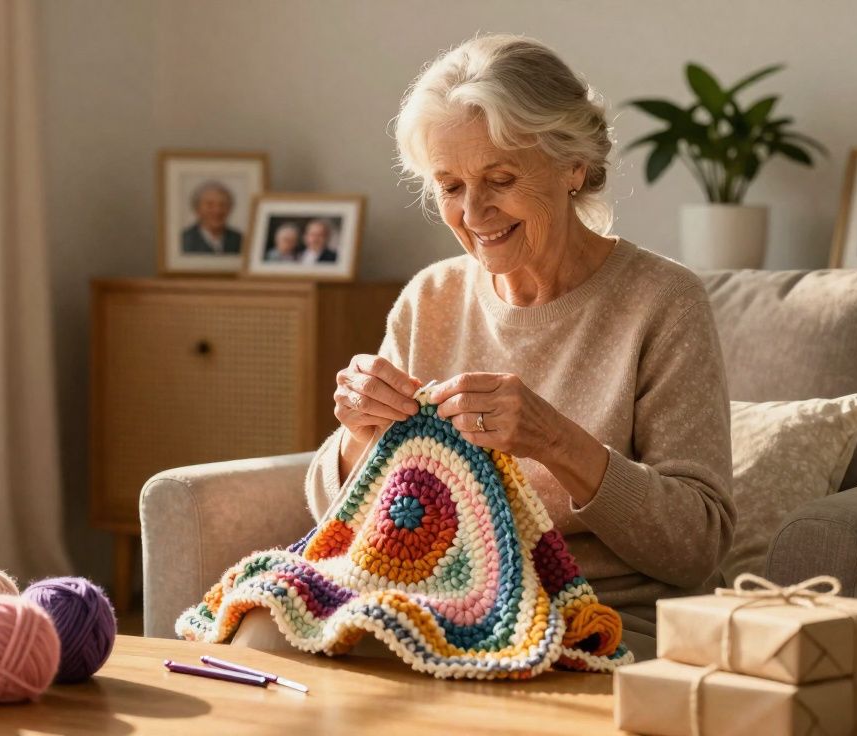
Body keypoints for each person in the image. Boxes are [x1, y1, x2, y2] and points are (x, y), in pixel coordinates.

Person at [232, 34, 734, 660]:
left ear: (574, 166)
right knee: (265, 627)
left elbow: (696, 546)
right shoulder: (431, 297)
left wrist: (557, 441)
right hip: (428, 600)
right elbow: (341, 517)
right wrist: (359, 436)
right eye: (449, 186)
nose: (473, 212)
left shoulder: (663, 301)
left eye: (500, 179)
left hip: (590, 614)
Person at [180, 181, 243, 255]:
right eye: (210, 205)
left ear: (230, 209)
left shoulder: (240, 240)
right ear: (197, 209)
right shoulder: (183, 240)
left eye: (222, 205)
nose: (217, 211)